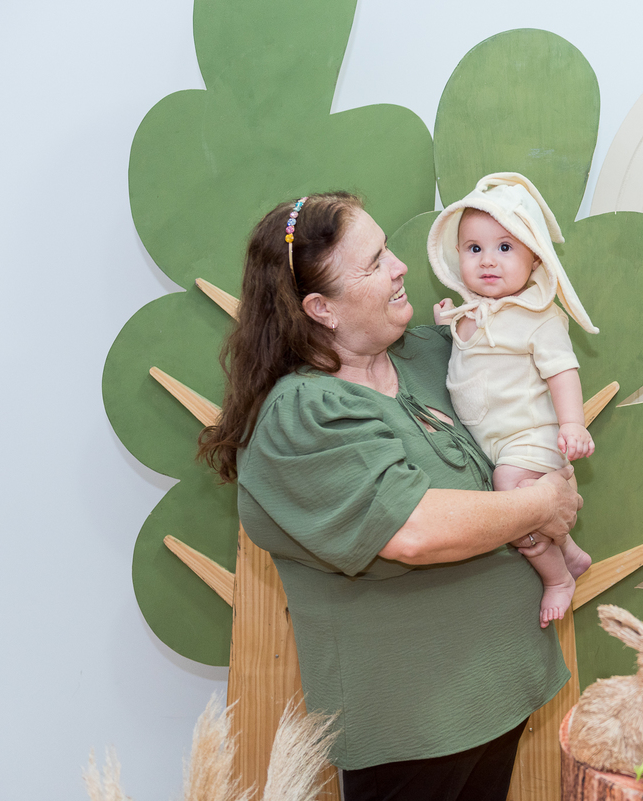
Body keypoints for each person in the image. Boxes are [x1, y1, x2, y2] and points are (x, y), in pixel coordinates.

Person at [198, 191, 583, 801]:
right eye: (375, 262)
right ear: (321, 308)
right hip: (413, 729)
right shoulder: (303, 415)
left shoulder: (432, 354)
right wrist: (543, 505)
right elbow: (413, 530)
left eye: (389, 250)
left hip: (501, 690)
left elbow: (529, 413)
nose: (401, 267)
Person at [429, 173, 598, 627]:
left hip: (532, 436)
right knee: (523, 496)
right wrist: (448, 321)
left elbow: (562, 372)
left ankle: (557, 578)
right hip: (496, 441)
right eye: (474, 248)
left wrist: (573, 424)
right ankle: (569, 550)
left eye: (505, 247)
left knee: (510, 489)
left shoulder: (538, 316)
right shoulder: (470, 312)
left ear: (534, 256)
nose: (488, 260)